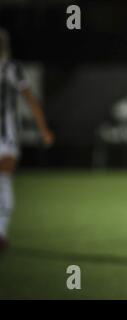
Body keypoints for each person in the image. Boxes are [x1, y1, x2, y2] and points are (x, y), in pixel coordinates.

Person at [0, 28, 54, 251]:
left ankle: (1, 232)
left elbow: (30, 100)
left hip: (6, 137)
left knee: (3, 180)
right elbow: (31, 100)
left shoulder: (11, 68)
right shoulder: (11, 68)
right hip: (7, 137)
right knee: (3, 181)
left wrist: (43, 129)